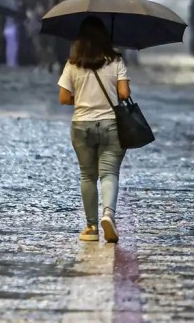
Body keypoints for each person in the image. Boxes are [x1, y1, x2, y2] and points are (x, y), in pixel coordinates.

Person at [58, 17, 130, 243]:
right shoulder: (116, 60)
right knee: (109, 173)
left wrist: (81, 98)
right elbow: (125, 94)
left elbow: (63, 97)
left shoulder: (73, 64)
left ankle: (90, 227)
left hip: (81, 125)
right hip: (111, 124)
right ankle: (108, 214)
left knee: (87, 175)